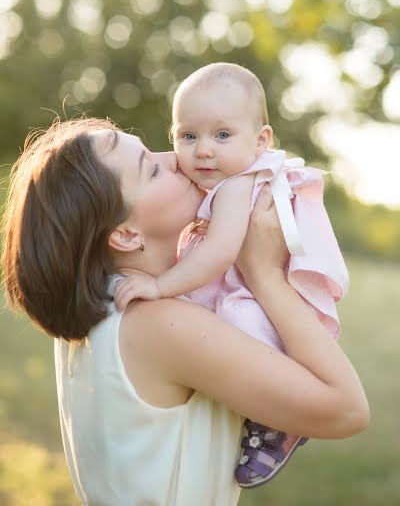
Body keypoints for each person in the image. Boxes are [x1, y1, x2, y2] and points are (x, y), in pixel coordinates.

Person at [2, 117, 369, 506]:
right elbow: (346, 409)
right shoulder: (158, 322)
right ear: (126, 234)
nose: (177, 158)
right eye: (152, 168)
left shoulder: (107, 308)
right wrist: (265, 275)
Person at [115, 63, 349, 487]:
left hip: (257, 300)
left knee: (235, 323)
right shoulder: (229, 179)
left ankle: (279, 422)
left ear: (261, 141)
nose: (203, 150)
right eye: (188, 136)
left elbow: (221, 252)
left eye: (222, 135)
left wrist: (160, 285)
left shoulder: (240, 185)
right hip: (248, 290)